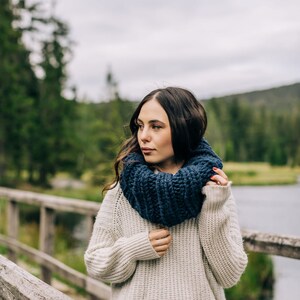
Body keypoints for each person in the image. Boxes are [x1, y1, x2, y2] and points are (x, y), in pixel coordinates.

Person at [84, 87, 248, 300]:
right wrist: (135, 248)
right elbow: (95, 262)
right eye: (140, 126)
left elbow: (229, 275)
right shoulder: (123, 191)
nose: (143, 136)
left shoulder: (213, 189)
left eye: (156, 127)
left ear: (183, 129)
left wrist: (214, 207)